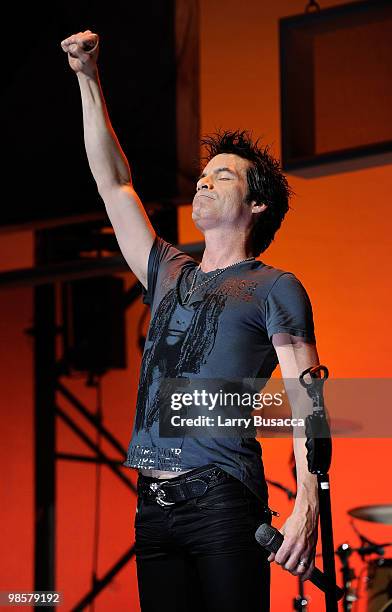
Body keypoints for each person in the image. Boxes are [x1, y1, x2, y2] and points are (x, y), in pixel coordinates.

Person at [61, 30, 320, 612]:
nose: (205, 179)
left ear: (257, 205)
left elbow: (309, 403)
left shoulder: (275, 287)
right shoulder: (167, 271)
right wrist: (88, 79)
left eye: (224, 175)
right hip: (154, 508)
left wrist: (308, 503)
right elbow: (114, 183)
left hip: (223, 501)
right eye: (205, 173)